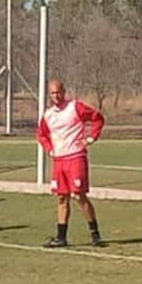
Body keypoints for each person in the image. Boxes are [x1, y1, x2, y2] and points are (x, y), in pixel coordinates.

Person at [35, 79, 105, 247]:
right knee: (61, 198)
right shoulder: (48, 115)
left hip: (76, 157)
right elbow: (41, 134)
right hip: (59, 161)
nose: (56, 96)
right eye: (52, 93)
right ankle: (61, 237)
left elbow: (97, 118)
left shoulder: (75, 107)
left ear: (64, 91)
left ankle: (95, 233)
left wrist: (90, 138)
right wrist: (50, 149)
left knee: (79, 196)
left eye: (58, 92)